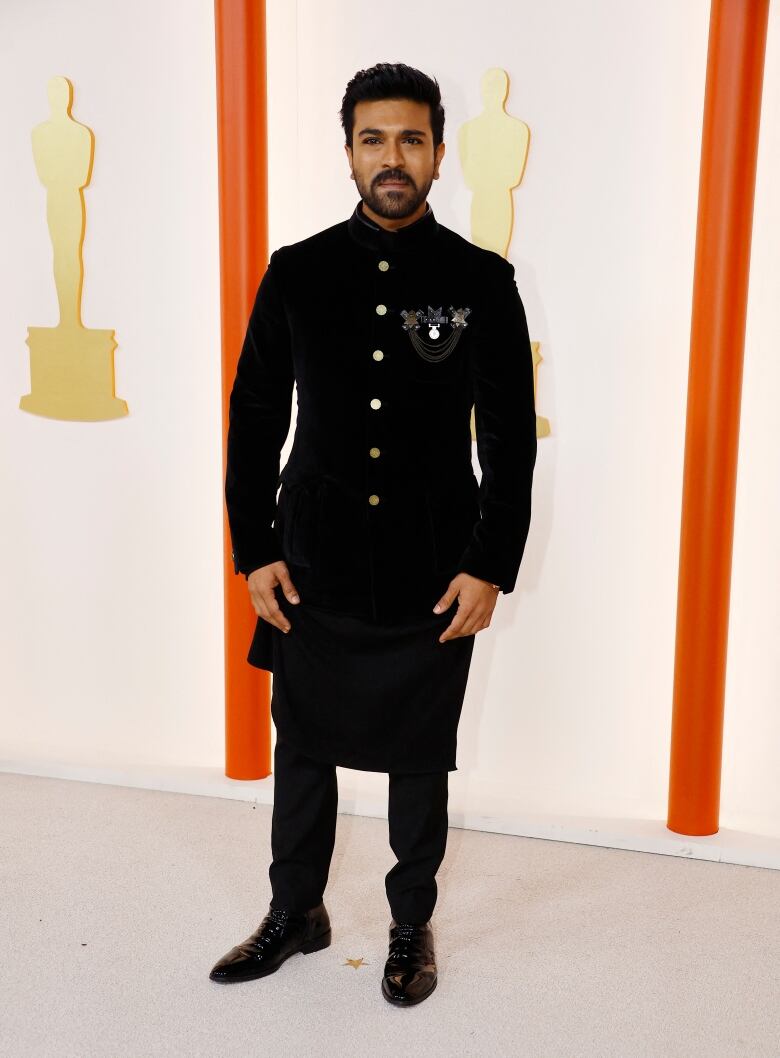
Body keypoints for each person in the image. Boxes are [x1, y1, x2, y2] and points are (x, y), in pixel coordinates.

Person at [209, 62, 537, 1006]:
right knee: (302, 745)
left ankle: (409, 923)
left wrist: (489, 565)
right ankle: (294, 913)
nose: (392, 158)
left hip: (433, 567)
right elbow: (255, 412)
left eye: (410, 139)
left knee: (419, 752)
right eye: (373, 139)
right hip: (312, 560)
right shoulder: (298, 271)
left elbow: (510, 439)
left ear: (438, 152)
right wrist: (254, 546)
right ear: (347, 150)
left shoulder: (482, 280)